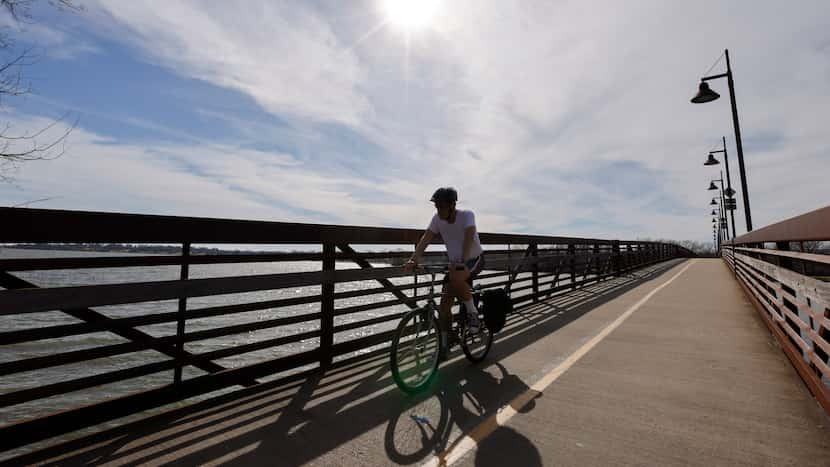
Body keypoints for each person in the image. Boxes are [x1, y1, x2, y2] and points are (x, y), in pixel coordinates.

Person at [404, 187, 485, 349]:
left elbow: (469, 237)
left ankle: (473, 313)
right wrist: (413, 260)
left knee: (456, 277)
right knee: (444, 305)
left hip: (474, 259)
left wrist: (463, 260)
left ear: (452, 205)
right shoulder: (437, 219)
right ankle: (448, 339)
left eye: (442, 206)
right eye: (437, 207)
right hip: (455, 263)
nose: (439, 210)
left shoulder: (467, 215)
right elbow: (426, 238)